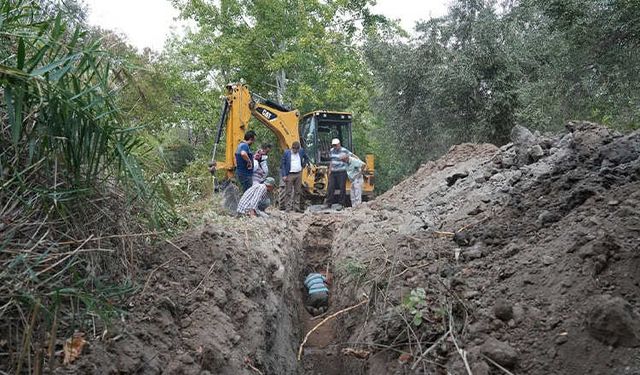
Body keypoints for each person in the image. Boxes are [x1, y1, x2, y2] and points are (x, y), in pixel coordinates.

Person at [280, 141, 309, 212]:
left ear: (299, 149)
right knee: (288, 191)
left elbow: (306, 158)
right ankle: (288, 208)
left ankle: (296, 207)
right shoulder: (286, 153)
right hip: (289, 174)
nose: (296, 151)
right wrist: (284, 175)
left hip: (298, 173)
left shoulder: (301, 151)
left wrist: (303, 165)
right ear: (292, 148)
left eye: (297, 150)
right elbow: (282, 164)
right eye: (295, 149)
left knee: (298, 191)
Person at [325, 138, 353, 207]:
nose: (334, 147)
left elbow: (352, 157)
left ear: (339, 144)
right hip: (333, 172)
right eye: (333, 145)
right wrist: (329, 170)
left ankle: (341, 203)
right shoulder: (331, 151)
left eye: (336, 145)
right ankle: (329, 203)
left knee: (342, 188)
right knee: (330, 187)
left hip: (342, 172)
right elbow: (331, 161)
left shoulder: (344, 150)